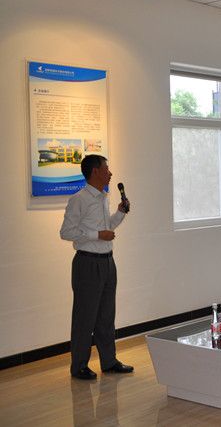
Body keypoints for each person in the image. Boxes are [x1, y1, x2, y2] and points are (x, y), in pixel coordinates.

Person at [59, 155, 134, 380]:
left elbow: (107, 228)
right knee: (85, 318)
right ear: (95, 172)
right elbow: (66, 232)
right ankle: (79, 366)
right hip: (87, 263)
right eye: (106, 169)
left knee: (106, 316)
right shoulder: (79, 199)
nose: (110, 173)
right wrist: (97, 235)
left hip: (107, 262)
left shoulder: (103, 197)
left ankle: (109, 361)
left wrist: (120, 213)